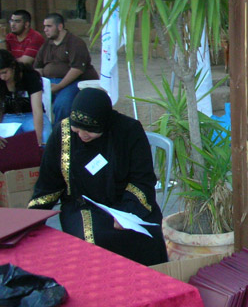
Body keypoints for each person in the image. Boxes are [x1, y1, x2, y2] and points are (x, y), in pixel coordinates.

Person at [27, 88, 168, 266]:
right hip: (82, 206)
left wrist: (127, 212)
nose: (82, 135)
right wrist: (30, 220)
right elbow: (49, 182)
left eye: (90, 131)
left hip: (127, 204)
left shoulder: (129, 131)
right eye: (77, 129)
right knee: (95, 240)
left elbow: (142, 179)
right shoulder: (63, 133)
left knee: (148, 238)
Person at [33, 13, 99, 127]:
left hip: (73, 81)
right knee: (34, 101)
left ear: (60, 26)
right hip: (49, 81)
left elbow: (77, 69)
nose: (45, 30)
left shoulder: (75, 42)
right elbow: (38, 67)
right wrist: (39, 83)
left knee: (62, 105)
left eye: (49, 26)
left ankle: (62, 134)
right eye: (44, 26)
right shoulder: (47, 44)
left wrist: (59, 86)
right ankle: (44, 132)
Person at [0, 49, 51, 146]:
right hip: (9, 116)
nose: (2, 77)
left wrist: (38, 137)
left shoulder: (30, 76)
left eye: (4, 72)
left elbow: (37, 110)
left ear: (13, 66)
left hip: (31, 115)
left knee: (45, 137)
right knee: (6, 142)